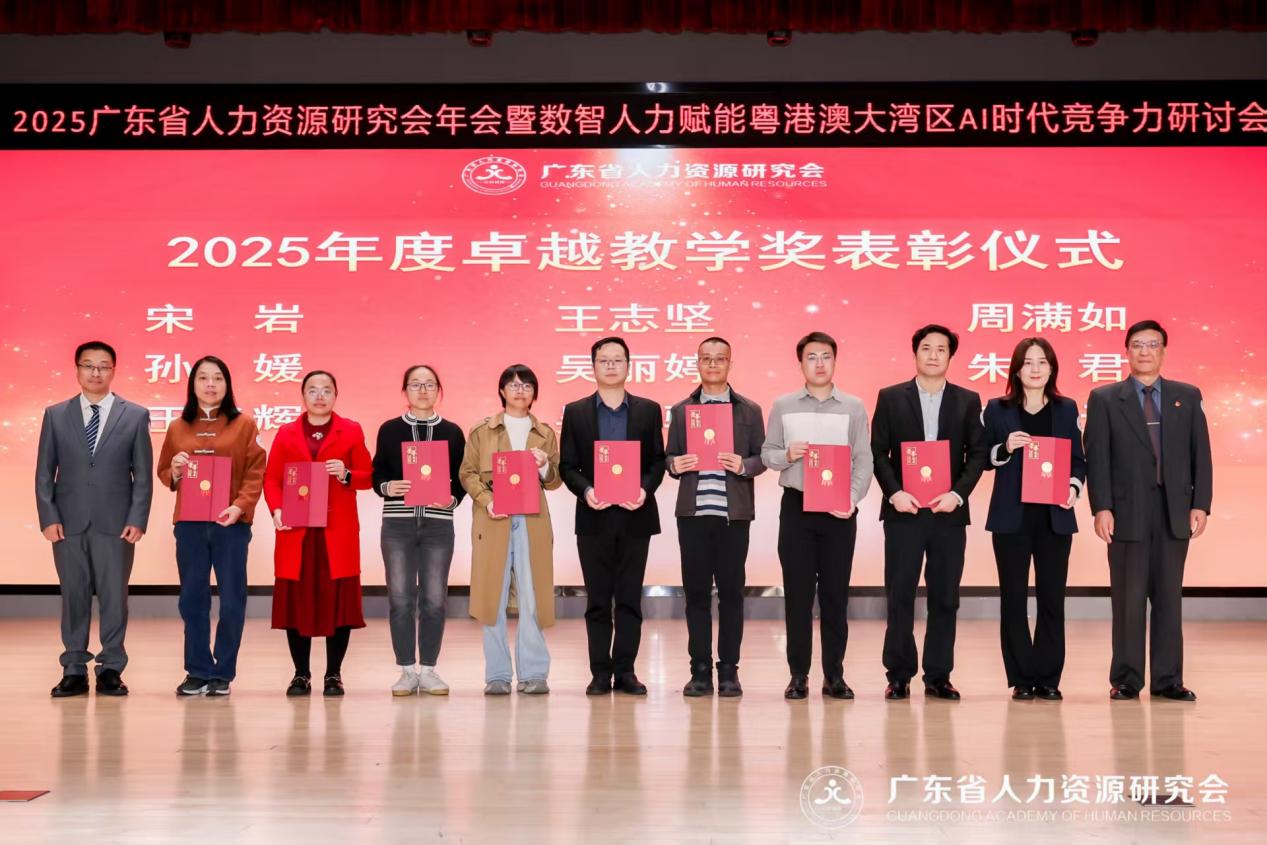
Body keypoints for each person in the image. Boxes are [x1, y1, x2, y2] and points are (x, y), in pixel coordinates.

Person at [1084, 319, 1212, 702]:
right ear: (1127, 351)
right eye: (1137, 345)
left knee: (1169, 597)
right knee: (1128, 598)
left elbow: (1200, 454)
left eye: (1152, 345)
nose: (1145, 351)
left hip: (1174, 511)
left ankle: (1168, 680)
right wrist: (1101, 507)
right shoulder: (1105, 398)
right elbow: (1097, 458)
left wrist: (1201, 504)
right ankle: (1126, 679)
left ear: (1163, 351)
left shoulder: (1186, 396)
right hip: (1126, 512)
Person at [872, 324, 987, 701]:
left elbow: (978, 454)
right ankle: (899, 674)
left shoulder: (967, 400)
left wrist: (958, 494)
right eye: (926, 348)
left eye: (941, 349)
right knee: (900, 594)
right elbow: (878, 452)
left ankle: (939, 675)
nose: (933, 355)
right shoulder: (891, 397)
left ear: (951, 356)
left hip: (948, 514)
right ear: (915, 353)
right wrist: (895, 493)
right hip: (904, 512)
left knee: (945, 597)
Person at [761, 331, 874, 700]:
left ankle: (834, 676)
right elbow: (767, 454)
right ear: (801, 364)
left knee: (835, 596)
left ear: (835, 361)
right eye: (811, 357)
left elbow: (864, 459)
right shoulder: (783, 405)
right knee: (797, 595)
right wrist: (787, 454)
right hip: (797, 508)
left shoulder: (853, 407)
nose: (819, 363)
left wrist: (852, 499)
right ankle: (798, 675)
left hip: (839, 510)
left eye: (826, 356)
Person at [37, 341, 153, 697]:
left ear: (113, 370)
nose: (96, 372)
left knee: (114, 597)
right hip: (67, 523)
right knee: (73, 596)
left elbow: (143, 475)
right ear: (77, 370)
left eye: (103, 366)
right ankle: (73, 668)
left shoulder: (135, 415)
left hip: (116, 524)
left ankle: (111, 668)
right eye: (88, 365)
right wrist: (48, 516)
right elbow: (44, 472)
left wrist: (137, 518)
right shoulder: (56, 414)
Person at [559, 336, 667, 696]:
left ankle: (626, 671)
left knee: (630, 599)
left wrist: (645, 490)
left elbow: (657, 461)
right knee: (598, 600)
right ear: (593, 367)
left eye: (617, 360)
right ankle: (599, 673)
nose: (610, 366)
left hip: (636, 516)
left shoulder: (648, 410)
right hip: (595, 517)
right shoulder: (576, 412)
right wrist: (587, 491)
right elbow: (567, 465)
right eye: (603, 360)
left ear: (628, 366)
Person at [982, 338, 1086, 701]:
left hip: (1054, 517)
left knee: (1052, 598)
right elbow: (981, 456)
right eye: (1028, 362)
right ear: (1016, 369)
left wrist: (1073, 486)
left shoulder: (1066, 408)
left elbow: (1078, 460)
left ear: (1052, 368)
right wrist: (1005, 448)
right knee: (1013, 598)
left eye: (1043, 362)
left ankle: (1049, 677)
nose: (1036, 369)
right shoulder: (997, 409)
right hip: (1011, 518)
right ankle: (1021, 678)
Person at [157, 355, 266, 696]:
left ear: (227, 384)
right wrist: (175, 471)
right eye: (203, 378)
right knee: (192, 598)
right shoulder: (178, 426)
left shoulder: (244, 424)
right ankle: (197, 669)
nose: (210, 384)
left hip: (230, 523)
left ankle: (223, 672)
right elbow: (164, 471)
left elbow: (256, 472)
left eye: (217, 378)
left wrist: (240, 506)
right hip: (189, 523)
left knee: (232, 598)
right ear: (192, 385)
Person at [666, 336, 767, 698]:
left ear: (729, 363)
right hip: (693, 514)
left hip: (732, 515)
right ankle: (699, 670)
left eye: (719, 358)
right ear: (697, 363)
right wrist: (674, 465)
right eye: (706, 358)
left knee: (731, 595)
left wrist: (744, 465)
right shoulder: (681, 411)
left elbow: (762, 458)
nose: (712, 364)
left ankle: (728, 670)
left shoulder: (749, 410)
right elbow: (669, 457)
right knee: (695, 595)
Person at [265, 371, 372, 697]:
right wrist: (277, 510)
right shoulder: (286, 433)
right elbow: (272, 479)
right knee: (297, 603)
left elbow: (367, 475)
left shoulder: (350, 430)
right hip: (297, 532)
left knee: (337, 604)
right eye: (312, 390)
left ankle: (333, 675)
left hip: (335, 533)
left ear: (336, 395)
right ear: (303, 396)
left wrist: (347, 474)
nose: (320, 396)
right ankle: (301, 674)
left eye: (326, 390)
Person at [459, 364, 563, 695]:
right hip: (494, 520)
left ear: (535, 393)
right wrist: (487, 499)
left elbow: (556, 479)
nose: (520, 390)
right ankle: (498, 674)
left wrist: (544, 466)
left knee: (533, 597)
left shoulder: (545, 433)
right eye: (513, 384)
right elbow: (467, 473)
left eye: (527, 385)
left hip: (533, 521)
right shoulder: (482, 431)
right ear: (502, 391)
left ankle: (534, 673)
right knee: (493, 597)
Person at [372, 364, 466, 696]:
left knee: (435, 599)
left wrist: (453, 499)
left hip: (438, 525)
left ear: (439, 390)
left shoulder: (452, 432)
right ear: (405, 390)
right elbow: (377, 473)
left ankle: (428, 670)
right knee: (400, 598)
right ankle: (406, 671)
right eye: (415, 384)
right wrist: (387, 486)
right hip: (397, 523)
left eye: (429, 384)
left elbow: (462, 477)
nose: (423, 390)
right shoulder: (390, 429)